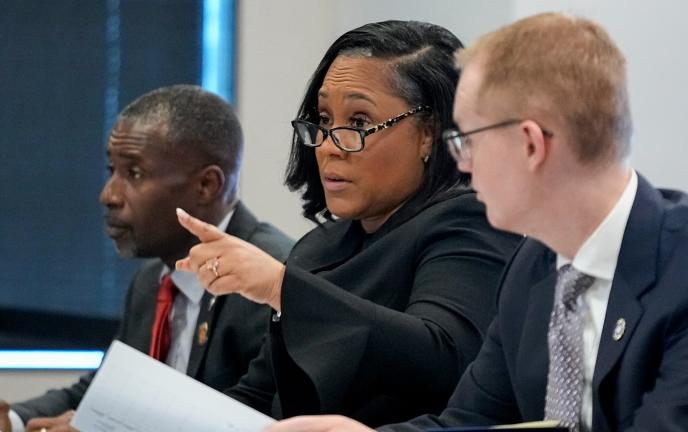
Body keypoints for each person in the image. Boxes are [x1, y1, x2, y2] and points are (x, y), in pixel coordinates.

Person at [267, 12, 688, 432]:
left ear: (530, 145)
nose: (460, 163)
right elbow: (470, 420)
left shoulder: (679, 266)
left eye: (467, 140)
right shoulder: (533, 267)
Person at [174, 20, 521, 427]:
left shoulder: (469, 220)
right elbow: (261, 396)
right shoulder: (318, 246)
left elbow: (444, 356)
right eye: (323, 118)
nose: (326, 145)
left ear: (429, 134)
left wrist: (279, 287)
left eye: (358, 123)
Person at [0, 85, 294, 432]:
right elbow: (103, 393)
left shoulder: (275, 282)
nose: (108, 195)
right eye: (112, 171)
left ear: (206, 186)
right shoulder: (150, 282)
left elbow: (260, 422)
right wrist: (8, 420)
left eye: (134, 173)